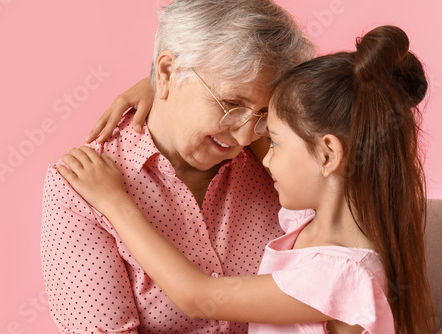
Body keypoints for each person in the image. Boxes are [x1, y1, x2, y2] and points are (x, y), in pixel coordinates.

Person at [57, 26, 435, 333]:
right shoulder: (307, 221)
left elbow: (196, 294)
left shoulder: (340, 276)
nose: (257, 151)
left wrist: (114, 202)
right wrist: (164, 83)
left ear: (328, 155)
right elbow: (282, 119)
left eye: (273, 141)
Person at [40, 0, 313, 333]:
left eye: (263, 114)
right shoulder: (81, 188)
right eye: (231, 104)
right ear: (167, 72)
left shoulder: (276, 157)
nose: (243, 135)